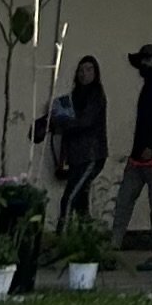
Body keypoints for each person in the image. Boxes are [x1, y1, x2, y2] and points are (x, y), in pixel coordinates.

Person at [109, 44, 152, 261]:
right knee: (124, 202)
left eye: (149, 60)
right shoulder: (149, 85)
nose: (145, 64)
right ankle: (113, 246)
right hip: (138, 157)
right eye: (143, 60)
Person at [38, 54, 108, 228]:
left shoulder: (96, 96)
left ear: (96, 73)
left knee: (69, 199)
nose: (85, 74)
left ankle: (63, 240)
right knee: (80, 203)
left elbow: (84, 122)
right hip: (78, 157)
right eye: (81, 70)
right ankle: (87, 242)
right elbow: (62, 116)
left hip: (91, 156)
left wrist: (58, 123)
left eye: (89, 69)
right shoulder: (74, 97)